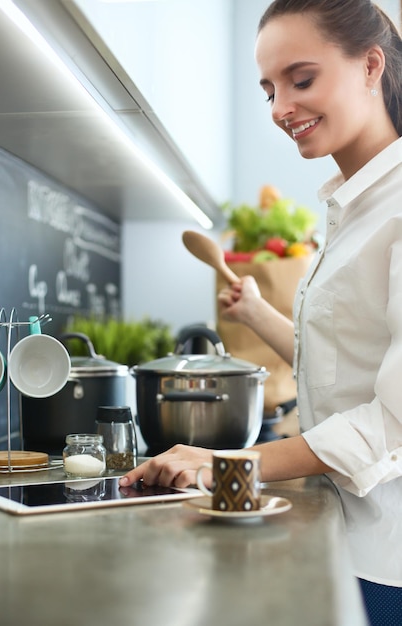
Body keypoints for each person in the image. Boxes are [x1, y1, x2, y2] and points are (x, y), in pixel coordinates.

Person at [120, 1, 402, 623]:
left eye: (301, 81)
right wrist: (258, 314)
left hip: (389, 558)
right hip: (349, 535)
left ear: (370, 66)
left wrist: (227, 463)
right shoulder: (352, 208)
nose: (278, 108)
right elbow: (348, 363)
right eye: (270, 89)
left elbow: (394, 421)